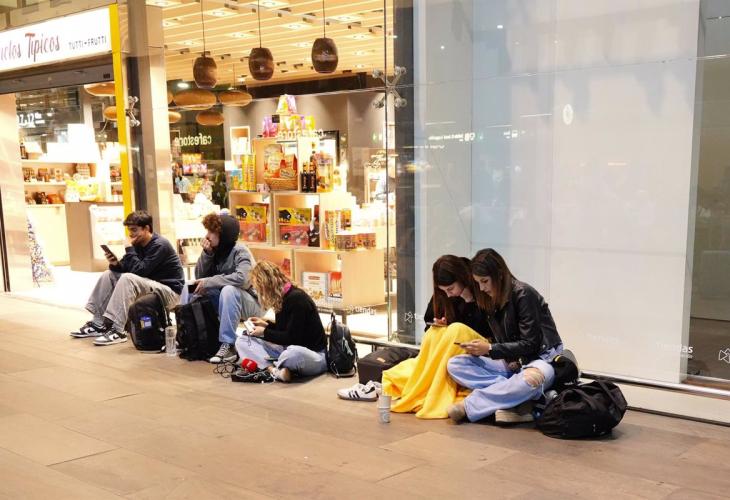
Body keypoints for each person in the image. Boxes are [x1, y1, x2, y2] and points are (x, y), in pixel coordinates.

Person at [446, 248, 564, 424]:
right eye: (478, 283)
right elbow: (503, 342)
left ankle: (468, 406)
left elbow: (531, 344)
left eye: (485, 281)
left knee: (529, 380)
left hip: (543, 359)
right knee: (455, 364)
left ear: (499, 274)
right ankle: (519, 397)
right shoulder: (489, 299)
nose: (482, 288)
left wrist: (490, 349)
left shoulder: (524, 294)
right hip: (513, 362)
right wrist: (483, 349)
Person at [378, 255, 489, 418]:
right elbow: (429, 319)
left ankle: (436, 386)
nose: (448, 294)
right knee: (433, 333)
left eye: (450, 289)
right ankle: (431, 382)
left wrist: (469, 301)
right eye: (444, 290)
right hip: (454, 346)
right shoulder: (444, 293)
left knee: (456, 329)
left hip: (479, 346)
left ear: (461, 278)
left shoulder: (480, 288)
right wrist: (441, 322)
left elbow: (487, 327)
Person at [70, 210, 184, 346]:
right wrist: (116, 264)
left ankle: (118, 330)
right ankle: (98, 324)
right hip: (151, 288)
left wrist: (129, 249)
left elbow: (140, 271)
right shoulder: (138, 244)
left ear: (146, 228)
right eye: (129, 230)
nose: (131, 234)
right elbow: (128, 267)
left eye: (134, 230)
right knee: (109, 274)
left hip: (170, 293)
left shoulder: (160, 244)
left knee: (128, 278)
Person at [180, 212, 263, 364]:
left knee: (228, 290)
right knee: (190, 286)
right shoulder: (215, 250)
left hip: (252, 303)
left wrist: (210, 282)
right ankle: (186, 334)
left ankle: (228, 344)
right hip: (228, 300)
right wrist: (207, 254)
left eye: (212, 232)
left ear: (224, 234)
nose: (207, 236)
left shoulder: (240, 250)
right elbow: (199, 277)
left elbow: (243, 279)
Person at [234, 261, 327, 383]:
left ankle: (268, 365)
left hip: (312, 355)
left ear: (267, 285)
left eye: (259, 289)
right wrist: (265, 324)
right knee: (242, 340)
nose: (259, 293)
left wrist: (264, 332)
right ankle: (274, 370)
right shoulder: (281, 298)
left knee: (293, 353)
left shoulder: (297, 299)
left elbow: (293, 338)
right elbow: (285, 329)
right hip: (286, 348)